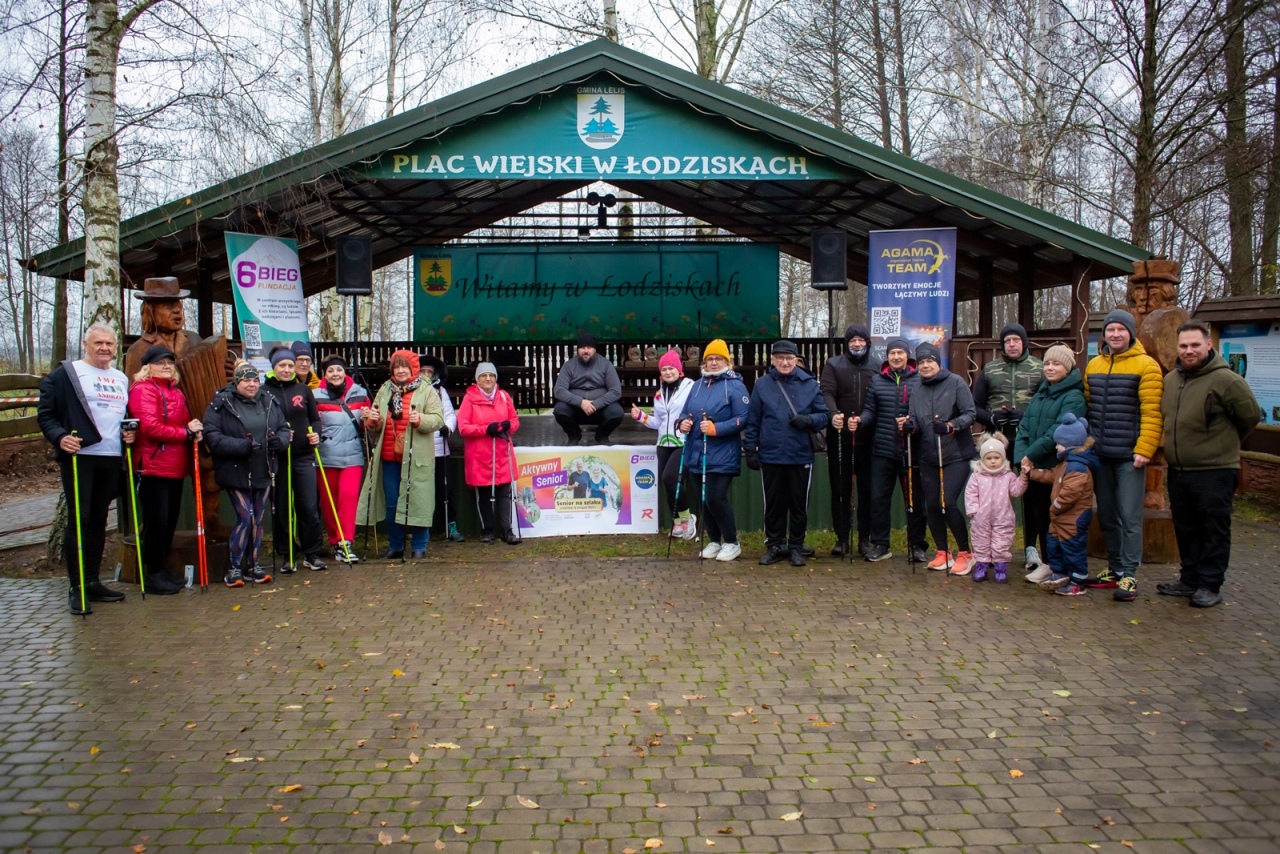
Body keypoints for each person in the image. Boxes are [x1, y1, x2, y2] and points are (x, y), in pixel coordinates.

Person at [1157, 320, 1261, 608]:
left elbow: (1250, 416)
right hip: (1179, 470)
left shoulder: (1226, 380)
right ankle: (1189, 579)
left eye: (1194, 345)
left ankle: (1210, 584)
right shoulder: (1171, 381)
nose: (1189, 351)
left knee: (1213, 529)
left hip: (1214, 471)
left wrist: (1221, 444)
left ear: (1208, 345)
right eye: (1183, 346)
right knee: (1186, 527)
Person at [37, 323, 137, 613]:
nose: (104, 348)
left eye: (109, 343)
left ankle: (92, 581)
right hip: (82, 455)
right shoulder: (67, 374)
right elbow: (46, 415)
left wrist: (128, 434)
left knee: (98, 520)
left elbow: (123, 417)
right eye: (98, 343)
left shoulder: (120, 377)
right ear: (86, 344)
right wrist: (60, 437)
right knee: (79, 519)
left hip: (111, 456)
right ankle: (76, 586)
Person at [1083, 309, 1163, 602]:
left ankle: (1129, 574)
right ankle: (1115, 569)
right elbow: (1089, 409)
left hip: (1130, 457)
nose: (1115, 334)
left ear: (1131, 333)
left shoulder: (1147, 366)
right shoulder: (1093, 365)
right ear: (1103, 334)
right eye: (1110, 329)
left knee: (1129, 516)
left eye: (1121, 329)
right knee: (1107, 515)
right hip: (1101, 454)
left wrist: (1144, 450)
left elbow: (1152, 413)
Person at [743, 340, 830, 567]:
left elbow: (824, 415)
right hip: (771, 455)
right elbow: (753, 420)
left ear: (796, 360)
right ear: (772, 360)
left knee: (798, 505)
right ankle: (774, 545)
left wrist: (809, 420)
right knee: (773, 504)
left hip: (800, 455)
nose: (784, 362)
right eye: (779, 358)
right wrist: (750, 449)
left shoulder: (810, 384)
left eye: (788, 358)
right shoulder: (762, 385)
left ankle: (796, 547)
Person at [203, 360, 290, 587]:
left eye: (255, 380)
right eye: (246, 380)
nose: (251, 384)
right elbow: (212, 435)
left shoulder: (269, 400)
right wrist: (242, 446)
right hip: (237, 470)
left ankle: (253, 565)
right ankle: (233, 568)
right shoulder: (221, 403)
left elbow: (283, 428)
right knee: (245, 517)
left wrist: (279, 442)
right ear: (237, 382)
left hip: (265, 468)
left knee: (258, 519)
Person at [127, 345, 201, 594]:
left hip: (176, 465)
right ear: (148, 367)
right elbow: (149, 427)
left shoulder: (176, 392)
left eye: (170, 362)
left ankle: (160, 569)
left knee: (168, 522)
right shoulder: (142, 390)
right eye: (161, 363)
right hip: (152, 466)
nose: (167, 367)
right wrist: (185, 432)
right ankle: (152, 573)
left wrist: (193, 429)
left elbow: (185, 423)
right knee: (156, 522)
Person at [359, 350, 444, 558]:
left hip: (416, 458)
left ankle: (419, 546)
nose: (400, 370)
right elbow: (375, 423)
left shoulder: (426, 390)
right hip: (390, 458)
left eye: (404, 366)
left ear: (413, 368)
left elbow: (438, 419)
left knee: (418, 500)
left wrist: (420, 419)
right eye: (396, 367)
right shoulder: (385, 389)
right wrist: (371, 419)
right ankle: (396, 546)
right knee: (391, 503)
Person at [1012, 344, 1086, 582]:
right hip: (1033, 467)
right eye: (1046, 363)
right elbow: (1024, 427)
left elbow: (1056, 431)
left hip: (1055, 467)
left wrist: (1030, 455)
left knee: (1056, 517)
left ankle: (1060, 565)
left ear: (1067, 367)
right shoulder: (1041, 393)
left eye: (1056, 363)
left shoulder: (1074, 396)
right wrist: (1021, 458)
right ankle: (1046, 563)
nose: (1050, 368)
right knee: (1039, 516)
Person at [903, 342, 977, 575]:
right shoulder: (917, 389)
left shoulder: (956, 382)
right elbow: (914, 418)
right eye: (921, 362)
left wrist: (950, 426)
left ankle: (966, 552)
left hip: (956, 454)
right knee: (932, 505)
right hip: (928, 455)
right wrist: (909, 426)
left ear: (938, 363)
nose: (925, 365)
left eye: (929, 361)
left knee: (948, 503)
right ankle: (943, 552)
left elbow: (970, 414)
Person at [855, 337, 928, 563]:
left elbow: (925, 412)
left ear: (908, 356)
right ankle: (881, 544)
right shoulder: (877, 381)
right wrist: (860, 420)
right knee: (879, 500)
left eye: (900, 353)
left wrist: (911, 422)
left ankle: (917, 545)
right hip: (883, 450)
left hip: (911, 450)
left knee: (914, 501)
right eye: (892, 353)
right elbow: (870, 411)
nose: (896, 357)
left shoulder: (920, 380)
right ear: (887, 357)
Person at [677, 339, 749, 562]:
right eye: (710, 359)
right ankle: (714, 541)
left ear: (727, 361)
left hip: (722, 452)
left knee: (717, 498)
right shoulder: (697, 385)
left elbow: (744, 418)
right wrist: (682, 424)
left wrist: (717, 428)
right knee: (703, 498)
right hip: (697, 452)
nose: (714, 363)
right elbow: (685, 412)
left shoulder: (735, 385)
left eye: (719, 359)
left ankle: (731, 542)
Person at [262, 347, 326, 572]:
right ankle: (287, 553)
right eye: (282, 366)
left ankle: (312, 553)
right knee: (282, 507)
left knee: (308, 505)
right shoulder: (264, 391)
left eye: (290, 365)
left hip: (303, 455)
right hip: (277, 457)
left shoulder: (303, 390)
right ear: (274, 368)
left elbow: (315, 419)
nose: (287, 370)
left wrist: (315, 434)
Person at [1025, 414, 1099, 596]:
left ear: (1070, 444)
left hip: (1073, 517)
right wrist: (1032, 474)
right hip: (1060, 518)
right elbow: (1051, 476)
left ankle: (1078, 581)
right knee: (1054, 544)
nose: (1056, 446)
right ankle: (1059, 572)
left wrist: (1055, 506)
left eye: (1059, 443)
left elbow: (1070, 494)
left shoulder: (1078, 467)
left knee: (1073, 548)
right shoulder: (1064, 464)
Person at [822, 323, 876, 557]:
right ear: (847, 344)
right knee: (841, 490)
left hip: (870, 438)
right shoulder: (833, 364)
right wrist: (834, 415)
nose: (856, 344)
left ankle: (865, 538)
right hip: (840, 438)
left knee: (867, 491)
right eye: (852, 340)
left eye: (860, 340)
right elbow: (827, 393)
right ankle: (842, 538)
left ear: (867, 343)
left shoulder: (877, 367)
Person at [631, 349, 696, 539]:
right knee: (668, 484)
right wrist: (640, 417)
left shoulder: (690, 387)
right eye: (664, 369)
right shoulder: (659, 393)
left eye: (671, 368)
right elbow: (658, 422)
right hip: (663, 443)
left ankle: (688, 518)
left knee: (670, 478)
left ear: (679, 369)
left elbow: (697, 411)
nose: (668, 372)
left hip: (683, 441)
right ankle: (677, 522)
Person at [312, 354, 371, 562]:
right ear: (324, 374)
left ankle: (346, 542)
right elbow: (311, 424)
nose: (335, 374)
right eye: (330, 371)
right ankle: (335, 540)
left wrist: (369, 419)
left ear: (345, 372)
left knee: (348, 497)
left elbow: (368, 425)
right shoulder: (315, 395)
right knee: (329, 503)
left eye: (338, 370)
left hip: (353, 456)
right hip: (326, 457)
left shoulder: (360, 394)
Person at [458, 362, 521, 544]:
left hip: (502, 452)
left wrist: (510, 426)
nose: (488, 379)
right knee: (484, 493)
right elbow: (463, 428)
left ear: (495, 378)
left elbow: (514, 420)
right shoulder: (469, 399)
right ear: (477, 379)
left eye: (491, 375)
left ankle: (507, 531)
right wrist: (485, 429)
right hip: (480, 454)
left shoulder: (503, 396)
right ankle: (487, 530)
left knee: (504, 492)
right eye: (483, 376)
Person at [964, 436, 1028, 583]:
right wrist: (973, 511)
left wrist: (1023, 479)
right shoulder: (977, 476)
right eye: (989, 458)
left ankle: (1001, 570)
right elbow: (970, 493)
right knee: (981, 543)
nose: (993, 461)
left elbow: (1016, 491)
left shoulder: (1009, 476)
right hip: (981, 518)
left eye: (996, 457)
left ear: (1003, 458)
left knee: (1001, 543)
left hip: (1003, 517)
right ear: (982, 460)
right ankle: (981, 569)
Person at [972, 323, 1043, 444]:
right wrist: (991, 419)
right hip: (996, 438)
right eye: (1007, 341)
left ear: (1024, 342)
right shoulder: (990, 369)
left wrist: (1027, 417)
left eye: (1016, 340)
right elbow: (974, 407)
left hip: (1030, 436)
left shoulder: (1040, 368)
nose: (1011, 344)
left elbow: (1048, 405)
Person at [421, 354, 465, 543]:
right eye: (423, 371)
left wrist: (448, 428)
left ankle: (450, 524)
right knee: (422, 491)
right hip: (420, 449)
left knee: (445, 489)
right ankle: (422, 529)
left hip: (440, 448)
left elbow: (449, 414)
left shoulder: (441, 392)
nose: (426, 374)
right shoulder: (411, 391)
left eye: (430, 372)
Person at [123, 277, 203, 379]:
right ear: (150, 312)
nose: (177, 311)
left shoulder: (194, 339)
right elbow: (134, 388)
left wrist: (225, 372)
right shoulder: (138, 349)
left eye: (179, 306)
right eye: (168, 307)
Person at [553, 332, 623, 445]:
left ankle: (602, 436)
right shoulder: (569, 365)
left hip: (600, 409)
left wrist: (596, 404)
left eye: (589, 347)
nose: (586, 350)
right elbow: (559, 390)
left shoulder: (606, 364)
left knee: (617, 412)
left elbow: (615, 391)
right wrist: (580, 402)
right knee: (560, 410)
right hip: (576, 408)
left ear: (594, 349)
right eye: (582, 347)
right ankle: (574, 435)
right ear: (577, 349)